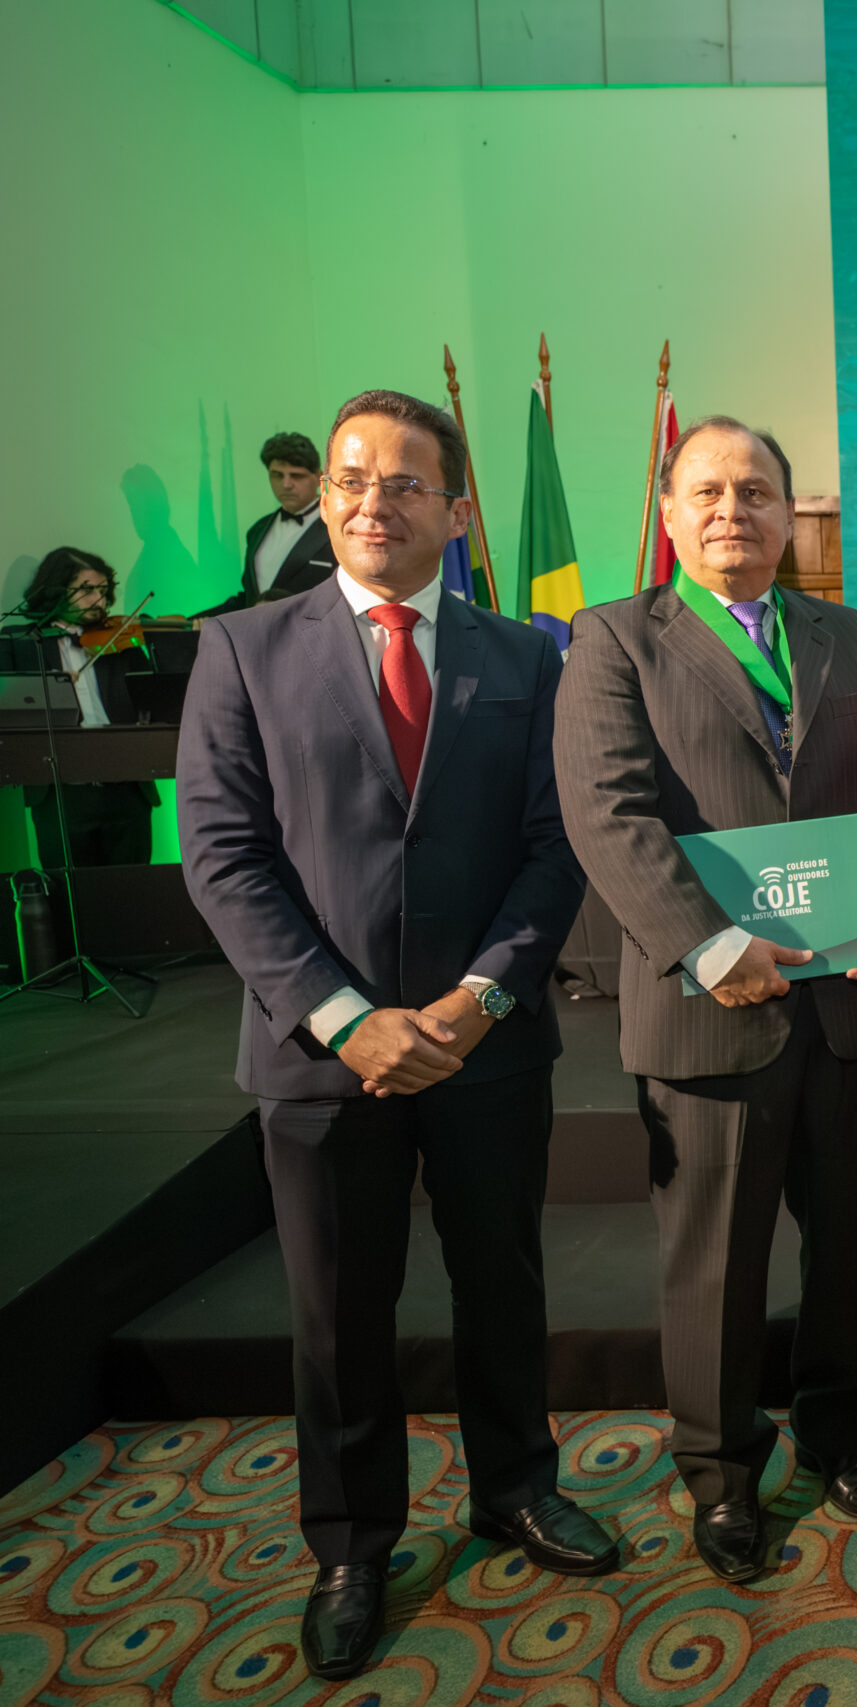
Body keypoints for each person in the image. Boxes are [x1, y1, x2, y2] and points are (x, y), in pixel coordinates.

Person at [177, 390, 604, 1682]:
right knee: (337, 1309)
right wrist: (349, 1016)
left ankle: (515, 1484)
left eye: (405, 481)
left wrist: (479, 999)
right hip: (321, 1055)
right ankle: (352, 1540)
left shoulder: (527, 656)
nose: (371, 498)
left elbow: (552, 846)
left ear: (457, 508)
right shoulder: (242, 649)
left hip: (488, 1040)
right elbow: (224, 856)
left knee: (504, 1280)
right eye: (351, 476)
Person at [554, 417, 857, 1582]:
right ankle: (721, 1475)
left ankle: (836, 1429)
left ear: (788, 514)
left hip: (846, 997)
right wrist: (711, 948)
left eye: (757, 491)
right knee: (713, 1264)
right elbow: (607, 814)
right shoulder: (616, 637)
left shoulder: (849, 634)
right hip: (710, 1005)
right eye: (708, 491)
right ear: (670, 514)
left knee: (842, 1250)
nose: (733, 510)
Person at [11, 547, 155, 865]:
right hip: (60, 792)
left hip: (126, 787)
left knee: (135, 892)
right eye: (87, 590)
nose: (99, 600)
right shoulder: (23, 646)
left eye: (102, 591)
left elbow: (152, 702)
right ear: (56, 590)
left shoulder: (120, 641)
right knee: (71, 896)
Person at [199, 431, 335, 615]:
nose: (286, 484)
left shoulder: (336, 527)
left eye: (296, 476)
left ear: (319, 478)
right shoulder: (257, 530)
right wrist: (192, 621)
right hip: (256, 638)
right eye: (277, 475)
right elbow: (249, 599)